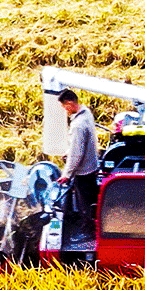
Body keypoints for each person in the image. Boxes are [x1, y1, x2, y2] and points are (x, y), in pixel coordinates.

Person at [56, 89, 100, 228]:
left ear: (69, 103)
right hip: (92, 166)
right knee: (92, 200)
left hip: (83, 172)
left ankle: (88, 230)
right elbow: (80, 145)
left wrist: (66, 174)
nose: (65, 110)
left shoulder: (78, 125)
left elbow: (77, 154)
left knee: (85, 204)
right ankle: (93, 223)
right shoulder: (87, 113)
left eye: (65, 107)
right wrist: (68, 152)